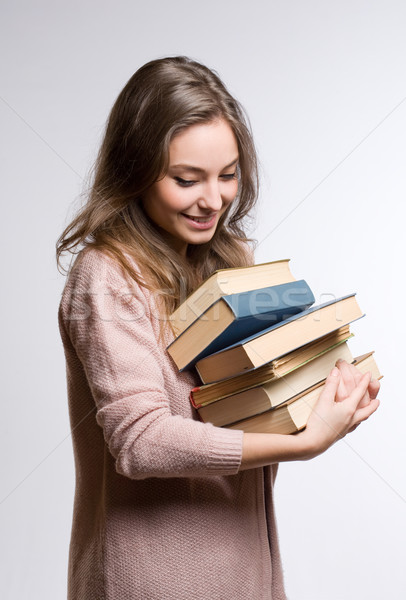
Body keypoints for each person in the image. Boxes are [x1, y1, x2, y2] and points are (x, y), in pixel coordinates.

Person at [56, 56, 380, 600]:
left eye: (228, 175)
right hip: (156, 578)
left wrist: (312, 397)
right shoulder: (107, 275)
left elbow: (236, 412)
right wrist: (304, 446)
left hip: (246, 566)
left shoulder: (226, 262)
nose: (213, 200)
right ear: (134, 170)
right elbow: (140, 441)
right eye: (187, 180)